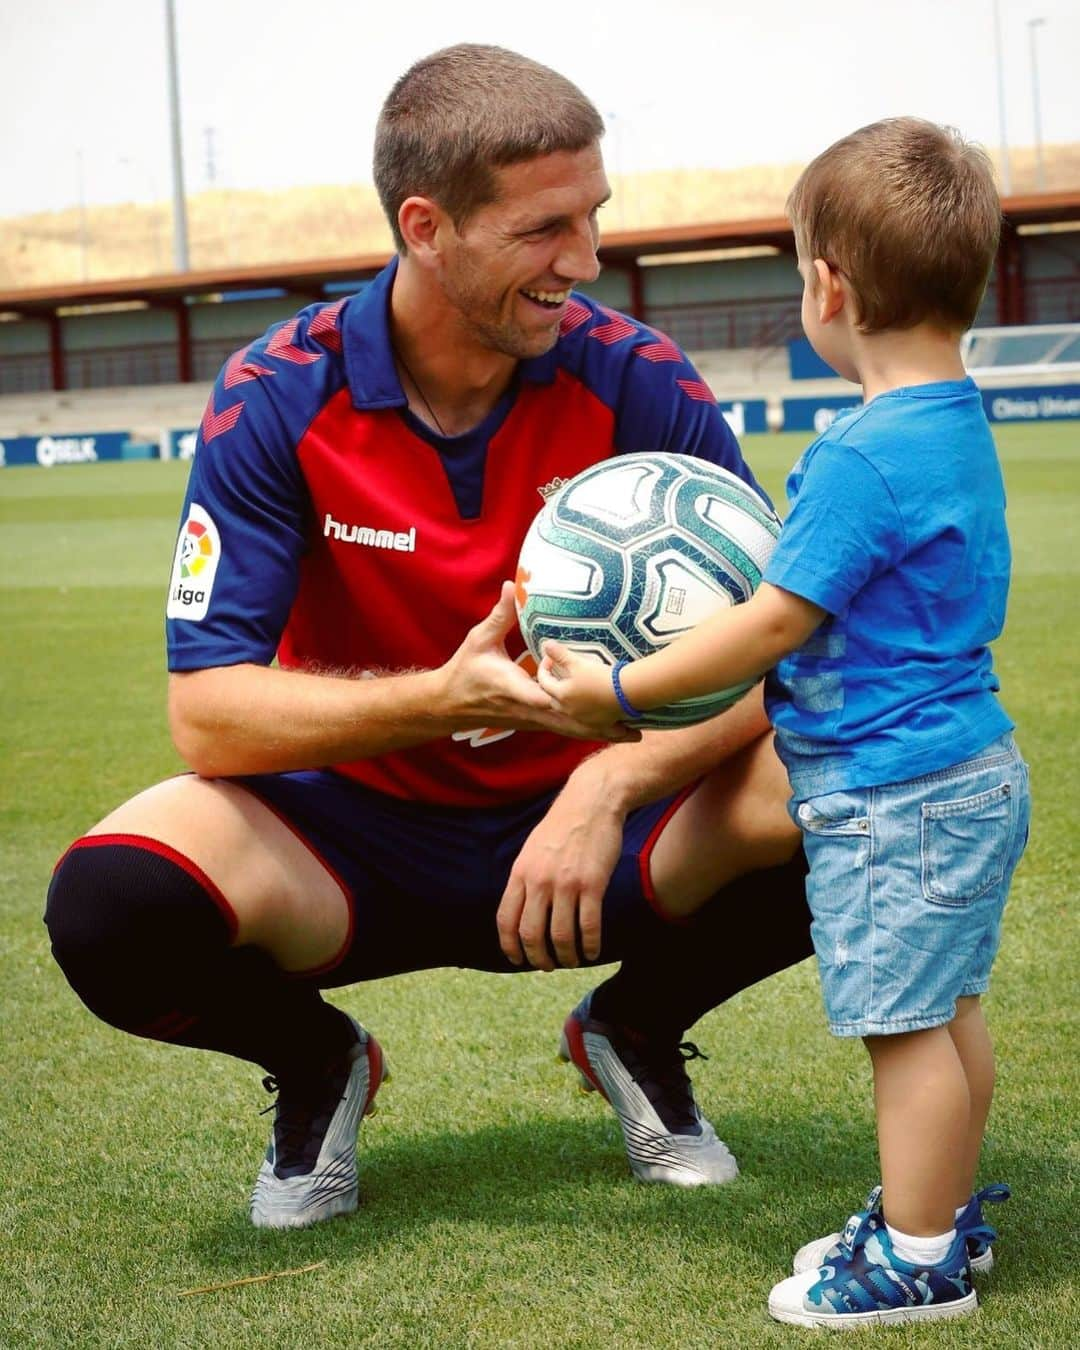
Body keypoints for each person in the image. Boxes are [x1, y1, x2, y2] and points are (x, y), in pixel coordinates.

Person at [43, 44, 812, 1231]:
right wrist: (452, 697)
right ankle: (317, 1067)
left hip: (602, 837)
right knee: (109, 907)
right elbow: (208, 711)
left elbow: (784, 650)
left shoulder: (638, 378)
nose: (586, 261)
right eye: (543, 229)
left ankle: (639, 1030)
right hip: (354, 842)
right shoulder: (277, 394)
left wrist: (609, 784)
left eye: (593, 217)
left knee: (875, 770)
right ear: (425, 225)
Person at [540, 117, 1031, 1329]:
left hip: (892, 789)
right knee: (951, 1013)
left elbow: (768, 625)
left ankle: (916, 1262)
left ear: (827, 287)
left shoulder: (858, 456)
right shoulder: (956, 418)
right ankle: (940, 1222)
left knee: (905, 1030)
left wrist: (613, 694)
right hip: (968, 768)